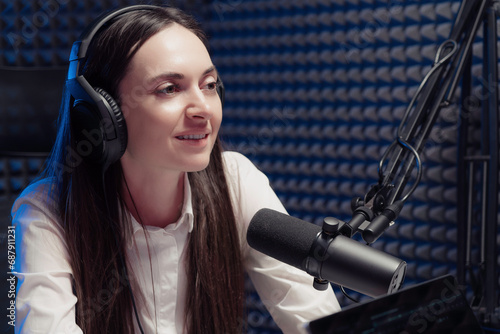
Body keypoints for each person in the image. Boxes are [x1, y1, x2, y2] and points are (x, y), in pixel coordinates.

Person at [11, 5, 340, 334]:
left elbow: (315, 317)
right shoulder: (44, 211)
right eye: (169, 89)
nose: (203, 110)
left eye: (209, 85)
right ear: (101, 116)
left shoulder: (236, 180)